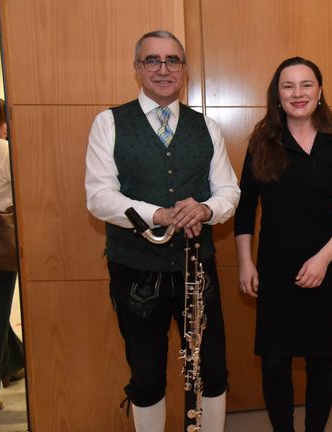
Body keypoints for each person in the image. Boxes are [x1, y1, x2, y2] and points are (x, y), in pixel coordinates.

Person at [85, 30, 239, 431]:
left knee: (212, 368)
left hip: (196, 269)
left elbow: (229, 191)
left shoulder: (207, 127)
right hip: (136, 271)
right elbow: (99, 196)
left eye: (173, 60)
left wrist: (205, 209)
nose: (163, 68)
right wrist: (159, 214)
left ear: (185, 70)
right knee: (147, 375)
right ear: (137, 68)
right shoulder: (108, 122)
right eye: (152, 60)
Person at [234, 56, 332, 432]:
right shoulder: (263, 143)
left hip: (327, 267)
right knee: (274, 361)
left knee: (320, 360)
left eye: (306, 84)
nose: (298, 93)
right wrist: (245, 262)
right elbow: (245, 209)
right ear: (277, 94)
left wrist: (323, 260)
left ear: (319, 91)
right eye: (288, 86)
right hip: (274, 269)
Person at [0, 96, 25, 416]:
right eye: (3, 120)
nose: (6, 127)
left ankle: (15, 363)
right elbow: (22, 188)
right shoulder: (1, 150)